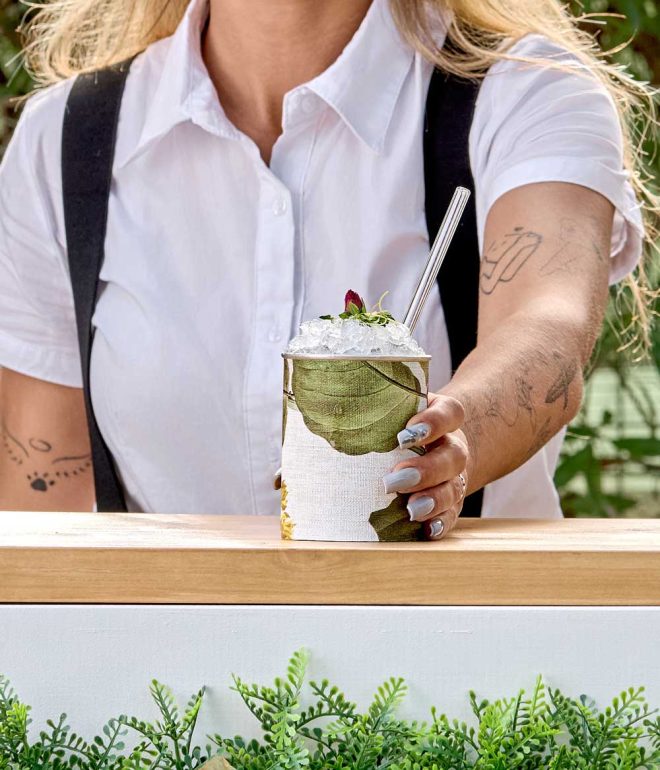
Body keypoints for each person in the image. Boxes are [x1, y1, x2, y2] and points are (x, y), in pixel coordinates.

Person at [0, 0, 654, 537]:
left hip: (459, 662)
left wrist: (454, 443)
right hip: (168, 683)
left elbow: (549, 328)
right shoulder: (65, 140)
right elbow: (38, 506)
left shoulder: (525, 92)